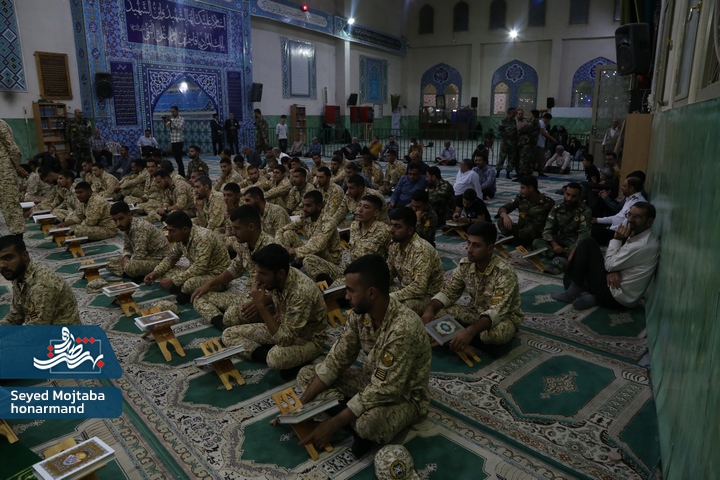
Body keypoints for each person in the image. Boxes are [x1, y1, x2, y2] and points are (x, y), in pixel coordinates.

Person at [295, 254, 431, 457]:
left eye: (351, 291)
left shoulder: (403, 328)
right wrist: (300, 408)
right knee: (307, 376)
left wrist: (331, 425)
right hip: (369, 379)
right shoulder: (360, 314)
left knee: (368, 424)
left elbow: (384, 389)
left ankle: (352, 422)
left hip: (402, 395)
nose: (346, 297)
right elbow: (337, 359)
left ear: (372, 293)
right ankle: (352, 422)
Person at [221, 244, 327, 377]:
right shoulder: (278, 278)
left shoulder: (302, 292)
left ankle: (283, 358)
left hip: (308, 338)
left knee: (275, 358)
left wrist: (260, 305)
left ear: (281, 273)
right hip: (283, 326)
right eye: (257, 272)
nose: (258, 279)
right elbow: (278, 296)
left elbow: (284, 339)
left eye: (263, 274)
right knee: (228, 334)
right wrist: (275, 310)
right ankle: (268, 354)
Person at [421, 221, 523, 348]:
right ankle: (465, 336)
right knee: (436, 313)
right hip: (475, 312)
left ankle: (465, 336)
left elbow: (496, 312)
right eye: (468, 243)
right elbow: (448, 292)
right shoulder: (466, 265)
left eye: (476, 245)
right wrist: (430, 309)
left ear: (490, 248)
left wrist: (470, 331)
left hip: (503, 317)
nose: (469, 250)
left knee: (493, 334)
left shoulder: (504, 273)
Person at [552, 202, 660, 311]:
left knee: (587, 244)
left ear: (649, 222)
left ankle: (572, 294)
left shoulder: (641, 245)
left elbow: (609, 265)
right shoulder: (641, 235)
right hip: (618, 293)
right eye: (629, 215)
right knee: (579, 267)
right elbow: (615, 264)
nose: (630, 220)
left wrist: (617, 239)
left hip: (614, 296)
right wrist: (613, 270)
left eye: (637, 217)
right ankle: (593, 298)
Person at [191, 205, 279, 329]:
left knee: (231, 315)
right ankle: (221, 323)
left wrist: (263, 301)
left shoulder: (272, 248)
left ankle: (228, 321)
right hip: (247, 297)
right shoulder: (244, 244)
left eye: (237, 228)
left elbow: (284, 286)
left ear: (251, 227)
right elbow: (234, 270)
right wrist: (209, 284)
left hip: (266, 303)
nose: (233, 232)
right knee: (199, 296)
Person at [144, 211, 231, 302]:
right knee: (166, 275)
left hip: (217, 276)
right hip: (200, 271)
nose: (169, 235)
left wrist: (174, 281)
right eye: (168, 230)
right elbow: (171, 258)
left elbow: (199, 267)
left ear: (184, 229)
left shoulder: (203, 238)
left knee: (189, 285)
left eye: (172, 231)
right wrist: (155, 273)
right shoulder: (181, 237)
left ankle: (187, 293)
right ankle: (184, 291)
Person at [304, 194, 391, 283]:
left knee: (336, 284)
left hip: (365, 277)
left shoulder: (384, 231)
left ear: (376, 213)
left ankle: (334, 287)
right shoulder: (354, 226)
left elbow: (392, 258)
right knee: (309, 259)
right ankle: (330, 285)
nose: (360, 210)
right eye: (359, 205)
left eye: (366, 207)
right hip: (348, 269)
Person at [0, 235, 80, 325]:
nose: (2, 265)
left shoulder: (42, 285)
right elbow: (16, 316)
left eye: (8, 258)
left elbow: (37, 329)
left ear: (25, 256)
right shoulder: (19, 276)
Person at [387, 207, 444, 314]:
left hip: (427, 297)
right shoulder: (395, 244)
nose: (391, 230)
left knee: (395, 308)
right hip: (406, 290)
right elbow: (389, 272)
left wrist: (391, 297)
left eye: (397, 226)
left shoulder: (422, 250)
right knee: (371, 292)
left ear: (410, 230)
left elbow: (419, 287)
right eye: (391, 225)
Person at [533, 182, 591, 274]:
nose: (569, 199)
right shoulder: (557, 208)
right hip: (560, 240)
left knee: (583, 251)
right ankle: (558, 257)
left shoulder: (585, 211)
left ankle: (563, 259)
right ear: (564, 193)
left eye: (573, 196)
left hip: (574, 243)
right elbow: (547, 230)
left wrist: (572, 253)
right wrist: (555, 245)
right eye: (567, 194)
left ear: (579, 196)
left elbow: (584, 236)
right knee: (537, 242)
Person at [276, 190, 342, 267]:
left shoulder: (328, 221)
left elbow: (317, 245)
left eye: (308, 205)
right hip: (312, 249)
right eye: (303, 205)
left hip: (330, 259)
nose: (304, 209)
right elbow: (283, 229)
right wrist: (284, 247)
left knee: (317, 249)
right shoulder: (306, 216)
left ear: (319, 206)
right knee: (288, 233)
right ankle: (285, 263)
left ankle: (297, 263)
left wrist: (294, 251)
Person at [107, 201, 170, 279]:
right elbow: (127, 247)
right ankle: (133, 273)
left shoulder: (140, 228)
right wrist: (126, 258)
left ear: (129, 215)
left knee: (130, 267)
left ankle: (135, 273)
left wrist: (127, 263)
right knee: (110, 262)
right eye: (115, 220)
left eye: (121, 218)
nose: (118, 224)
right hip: (146, 258)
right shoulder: (126, 226)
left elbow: (139, 255)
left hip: (160, 261)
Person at [496, 175, 555, 247]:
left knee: (530, 229)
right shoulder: (520, 198)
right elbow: (504, 208)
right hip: (521, 229)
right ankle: (518, 242)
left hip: (536, 232)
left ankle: (515, 241)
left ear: (531, 188)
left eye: (523, 188)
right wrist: (505, 216)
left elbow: (553, 221)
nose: (520, 191)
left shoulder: (547, 202)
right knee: (501, 221)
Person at [591, 176, 646, 245]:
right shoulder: (630, 199)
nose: (622, 188)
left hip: (619, 234)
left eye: (624, 186)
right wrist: (597, 220)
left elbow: (625, 226)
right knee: (591, 225)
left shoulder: (636, 203)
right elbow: (617, 217)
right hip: (614, 228)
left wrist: (608, 228)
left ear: (631, 188)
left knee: (592, 231)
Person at [164, 106, 186, 177]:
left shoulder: (181, 119)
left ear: (177, 111)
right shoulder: (172, 119)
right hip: (173, 141)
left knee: (179, 158)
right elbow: (165, 127)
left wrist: (170, 121)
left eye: (173, 111)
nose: (172, 113)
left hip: (179, 141)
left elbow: (179, 127)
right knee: (176, 158)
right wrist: (165, 121)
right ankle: (180, 172)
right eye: (171, 112)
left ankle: (182, 173)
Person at [496, 108, 518, 179]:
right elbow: (499, 133)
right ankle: (498, 172)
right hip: (505, 144)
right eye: (513, 113)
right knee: (501, 158)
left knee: (511, 160)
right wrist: (507, 134)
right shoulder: (503, 121)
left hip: (512, 144)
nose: (515, 115)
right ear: (509, 113)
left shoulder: (514, 121)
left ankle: (508, 173)